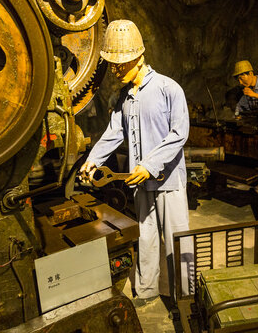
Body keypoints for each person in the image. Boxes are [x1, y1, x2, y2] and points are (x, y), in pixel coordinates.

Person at [79, 20, 193, 307]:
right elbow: (114, 133)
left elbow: (179, 134)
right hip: (139, 182)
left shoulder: (169, 89)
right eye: (114, 65)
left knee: (178, 240)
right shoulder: (124, 97)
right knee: (147, 236)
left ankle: (188, 296)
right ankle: (146, 289)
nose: (115, 70)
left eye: (121, 64)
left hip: (168, 181)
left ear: (139, 58)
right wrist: (92, 160)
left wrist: (150, 165)